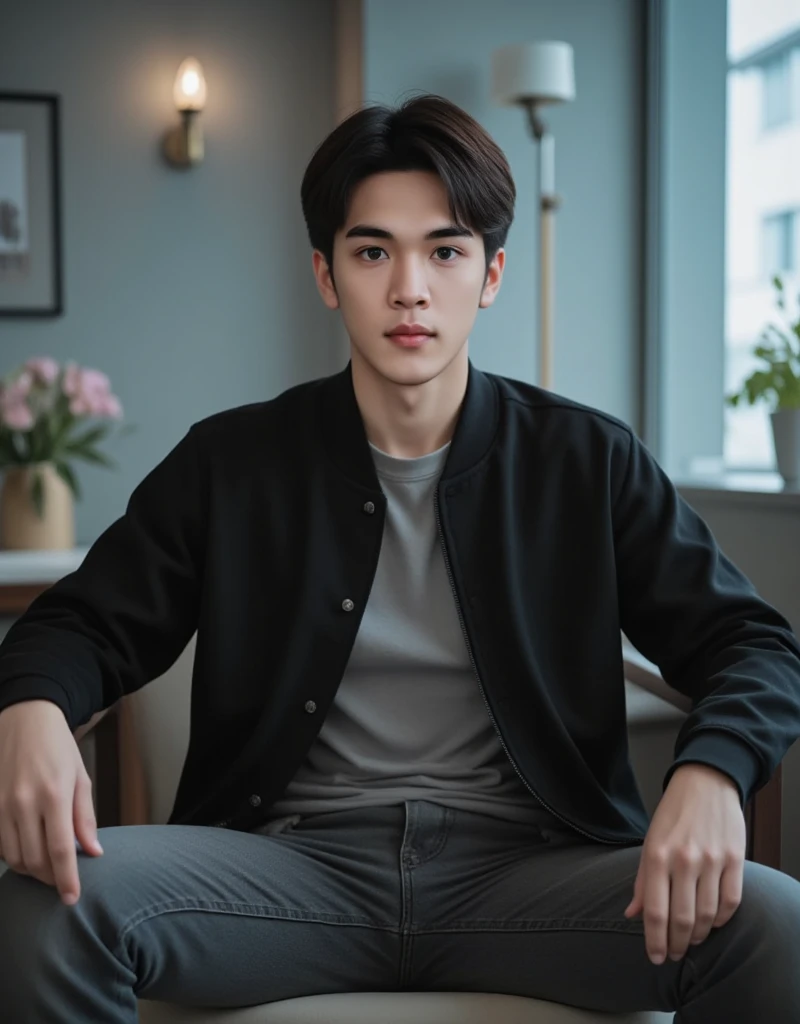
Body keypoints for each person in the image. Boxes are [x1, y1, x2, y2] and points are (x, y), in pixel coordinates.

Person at [0, 93, 799, 1023]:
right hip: (285, 875)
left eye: (446, 251)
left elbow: (752, 645)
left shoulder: (586, 459)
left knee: (777, 928)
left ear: (491, 274)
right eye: (373, 251)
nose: (409, 287)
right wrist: (32, 708)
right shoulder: (232, 462)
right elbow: (79, 624)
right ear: (327, 274)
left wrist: (711, 774)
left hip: (534, 875)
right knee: (39, 911)